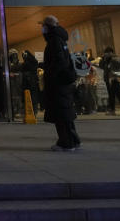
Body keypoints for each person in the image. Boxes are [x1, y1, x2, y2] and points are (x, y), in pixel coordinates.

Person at [41, 15, 79, 151]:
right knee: (65, 112)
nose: (42, 28)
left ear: (48, 27)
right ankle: (73, 140)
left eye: (43, 25)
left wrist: (50, 74)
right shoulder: (60, 39)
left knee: (61, 113)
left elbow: (59, 61)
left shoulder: (54, 41)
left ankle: (66, 143)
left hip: (58, 83)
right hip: (63, 82)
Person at [99, 46, 120, 115]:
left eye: (108, 53)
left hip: (115, 79)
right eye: (106, 53)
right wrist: (103, 59)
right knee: (111, 95)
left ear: (111, 53)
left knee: (119, 94)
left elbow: (119, 67)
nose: (107, 54)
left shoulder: (115, 59)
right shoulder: (105, 60)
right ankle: (112, 110)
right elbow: (101, 66)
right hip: (107, 80)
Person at [21, 50, 40, 116]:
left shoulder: (28, 63)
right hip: (32, 82)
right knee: (33, 97)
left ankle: (32, 111)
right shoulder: (34, 62)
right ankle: (34, 111)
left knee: (30, 97)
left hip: (29, 82)